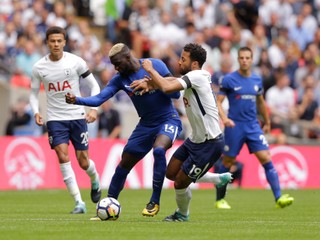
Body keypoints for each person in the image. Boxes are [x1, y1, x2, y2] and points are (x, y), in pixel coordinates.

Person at [65, 42, 182, 218]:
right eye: (113, 65)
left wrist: (151, 81)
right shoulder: (120, 79)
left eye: (118, 63)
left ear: (128, 57)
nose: (116, 68)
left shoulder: (153, 65)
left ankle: (154, 201)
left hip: (168, 119)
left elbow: (175, 93)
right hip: (145, 125)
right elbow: (99, 99)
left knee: (159, 150)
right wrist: (77, 100)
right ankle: (108, 204)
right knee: (123, 165)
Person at [131, 43, 232, 222]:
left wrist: (151, 71)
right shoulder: (193, 77)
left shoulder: (198, 75)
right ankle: (218, 179)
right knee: (171, 173)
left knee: (180, 182)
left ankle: (182, 214)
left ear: (194, 64)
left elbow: (168, 87)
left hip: (210, 142)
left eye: (183, 59)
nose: (179, 61)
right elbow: (171, 82)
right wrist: (149, 82)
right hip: (195, 139)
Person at [29, 26, 102, 214]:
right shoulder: (39, 67)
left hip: (77, 116)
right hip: (55, 119)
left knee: (83, 162)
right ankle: (79, 202)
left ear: (64, 42)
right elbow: (33, 93)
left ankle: (95, 180)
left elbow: (95, 87)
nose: (55, 44)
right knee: (62, 156)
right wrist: (36, 111)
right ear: (47, 42)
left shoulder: (76, 62)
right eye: (52, 41)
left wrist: (93, 109)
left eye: (59, 41)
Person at [215, 46, 294, 209]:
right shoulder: (229, 79)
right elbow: (218, 103)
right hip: (234, 125)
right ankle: (220, 199)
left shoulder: (257, 80)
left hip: (252, 126)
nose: (244, 60)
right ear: (238, 59)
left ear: (251, 60)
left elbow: (260, 102)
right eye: (241, 57)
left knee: (266, 157)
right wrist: (224, 118)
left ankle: (278, 198)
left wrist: (267, 121)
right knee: (228, 161)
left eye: (247, 58)